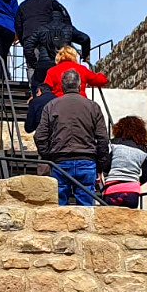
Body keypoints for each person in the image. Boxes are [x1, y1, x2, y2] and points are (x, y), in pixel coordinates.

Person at [34, 68, 108, 206]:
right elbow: (103, 139)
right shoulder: (93, 107)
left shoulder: (51, 106)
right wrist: (100, 166)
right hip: (86, 160)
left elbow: (39, 136)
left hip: (60, 160)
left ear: (62, 86)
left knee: (58, 208)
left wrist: (49, 156)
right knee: (86, 209)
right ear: (79, 85)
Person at [101, 116, 147, 207]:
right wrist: (135, 181)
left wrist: (107, 176)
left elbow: (106, 165)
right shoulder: (145, 150)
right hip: (132, 192)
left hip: (112, 189)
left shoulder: (112, 144)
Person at [42, 45, 109, 95]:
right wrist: (101, 75)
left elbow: (46, 89)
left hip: (59, 103)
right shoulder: (82, 69)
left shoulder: (52, 71)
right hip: (80, 102)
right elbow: (101, 80)